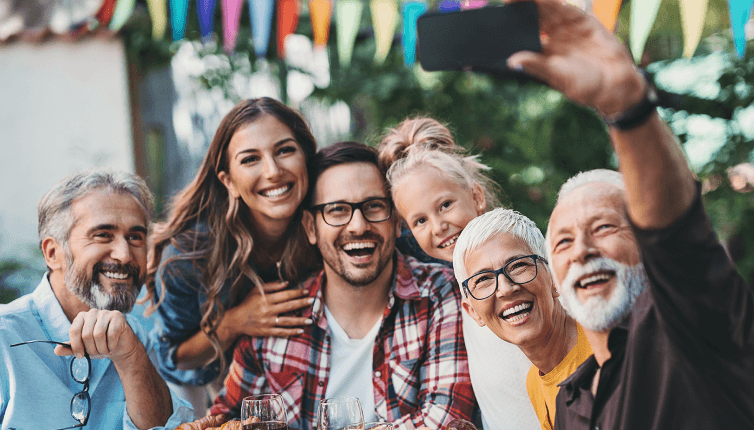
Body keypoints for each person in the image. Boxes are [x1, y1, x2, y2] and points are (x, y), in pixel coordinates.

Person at [501, 0, 754, 427]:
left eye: (603, 227)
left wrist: (627, 107)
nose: (581, 250)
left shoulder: (696, 332)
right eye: (562, 241)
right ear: (555, 283)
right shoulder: (569, 401)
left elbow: (677, 237)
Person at [205, 141, 474, 429]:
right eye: (336, 210)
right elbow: (222, 420)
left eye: (373, 206)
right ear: (311, 227)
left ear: (396, 221)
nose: (358, 225)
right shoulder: (273, 316)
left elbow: (446, 420)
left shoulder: (441, 294)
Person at [144, 98, 320, 415]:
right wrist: (235, 322)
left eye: (285, 150)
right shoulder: (190, 254)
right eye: (250, 159)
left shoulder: (333, 224)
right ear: (229, 182)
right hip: (220, 400)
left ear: (306, 156)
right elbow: (173, 356)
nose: (273, 171)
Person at [378, 117, 540, 430]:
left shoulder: (527, 268)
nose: (438, 226)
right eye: (420, 221)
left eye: (446, 205)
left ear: (477, 197)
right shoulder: (456, 295)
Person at [0, 170, 192, 430]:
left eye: (135, 237)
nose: (124, 255)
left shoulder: (135, 335)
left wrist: (132, 359)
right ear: (53, 253)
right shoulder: (5, 337)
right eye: (103, 235)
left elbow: (171, 427)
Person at [451, 208, 592, 430]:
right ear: (473, 312)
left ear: (554, 276)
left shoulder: (606, 344)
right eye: (484, 279)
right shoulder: (535, 384)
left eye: (518, 265)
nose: (505, 289)